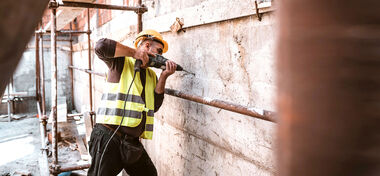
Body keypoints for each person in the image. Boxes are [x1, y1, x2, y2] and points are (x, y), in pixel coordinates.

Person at [87, 29, 177, 176]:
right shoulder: (121, 61)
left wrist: (164, 77)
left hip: (131, 143)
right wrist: (134, 53)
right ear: (147, 45)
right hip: (108, 138)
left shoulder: (150, 75)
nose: (161, 56)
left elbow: (154, 106)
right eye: (159, 51)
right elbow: (100, 46)